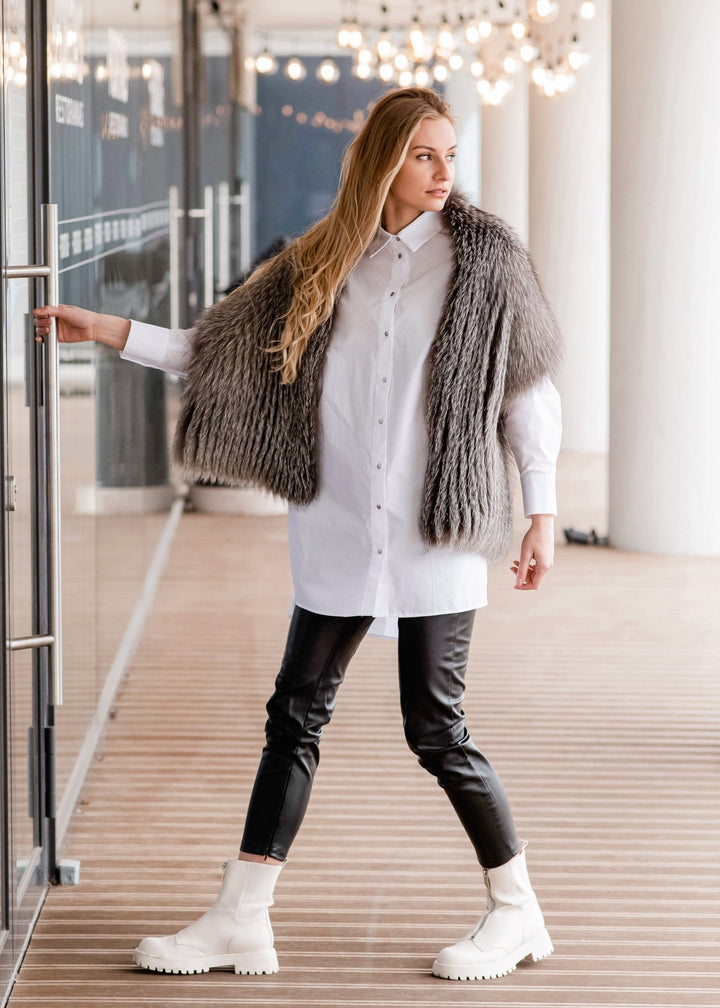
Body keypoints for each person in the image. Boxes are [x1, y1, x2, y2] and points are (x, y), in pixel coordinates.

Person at [34, 87, 562, 982]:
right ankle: (242, 918)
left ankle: (517, 912)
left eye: (450, 155)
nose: (442, 174)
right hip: (340, 525)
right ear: (384, 160)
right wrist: (108, 331)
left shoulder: (488, 262)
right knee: (294, 715)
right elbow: (221, 348)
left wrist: (541, 510)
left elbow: (527, 392)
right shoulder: (322, 259)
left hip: (437, 528)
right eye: (424, 156)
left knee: (436, 729)